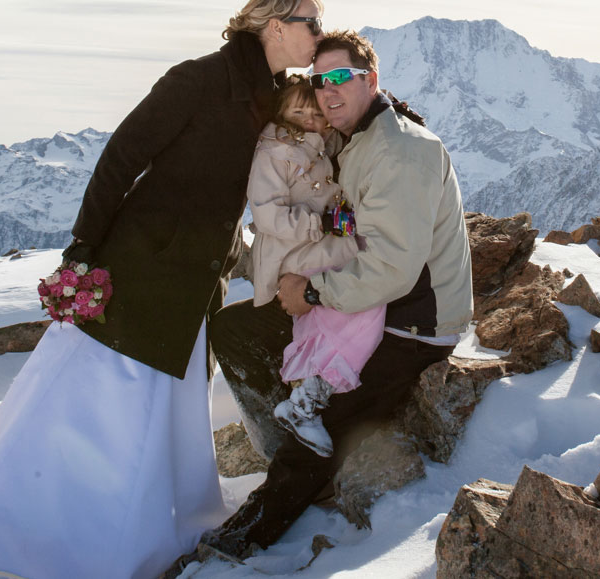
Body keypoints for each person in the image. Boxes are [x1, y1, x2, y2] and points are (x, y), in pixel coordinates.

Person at [0, 0, 324, 579]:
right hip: (142, 271)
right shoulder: (197, 80)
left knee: (164, 410)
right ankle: (55, 532)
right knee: (105, 404)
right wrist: (83, 250)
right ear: (274, 26)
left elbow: (322, 127)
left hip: (197, 280)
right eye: (312, 23)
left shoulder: (274, 96)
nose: (319, 35)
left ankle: (148, 527)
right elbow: (120, 158)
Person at [194, 29, 473, 562]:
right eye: (321, 81)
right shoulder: (360, 136)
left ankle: (251, 532)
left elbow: (391, 266)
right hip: (366, 304)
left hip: (409, 323)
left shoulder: (401, 150)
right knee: (235, 330)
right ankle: (288, 442)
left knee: (321, 418)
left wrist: (314, 292)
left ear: (372, 80)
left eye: (342, 77)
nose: (328, 91)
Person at [244, 75, 384, 458]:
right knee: (363, 299)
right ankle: (307, 401)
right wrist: (321, 223)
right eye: (297, 110)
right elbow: (269, 214)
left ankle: (306, 399)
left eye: (314, 112)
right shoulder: (274, 150)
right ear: (282, 113)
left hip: (316, 244)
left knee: (335, 310)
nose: (307, 118)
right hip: (294, 250)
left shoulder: (321, 145)